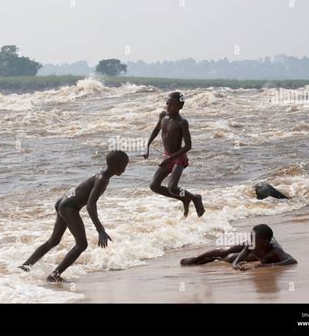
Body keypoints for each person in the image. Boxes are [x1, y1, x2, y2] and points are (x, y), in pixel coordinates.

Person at [19, 150, 129, 282]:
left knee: (53, 241)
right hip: (69, 207)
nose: (125, 169)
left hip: (64, 202)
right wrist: (100, 229)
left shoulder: (101, 176)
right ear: (115, 164)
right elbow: (90, 205)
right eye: (124, 165)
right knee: (82, 245)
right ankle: (54, 275)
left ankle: (26, 266)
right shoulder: (102, 179)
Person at [143, 92, 205, 217]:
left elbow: (188, 146)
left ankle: (195, 198)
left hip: (178, 158)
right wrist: (147, 145)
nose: (167, 106)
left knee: (173, 187)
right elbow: (156, 129)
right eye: (167, 103)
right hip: (167, 157)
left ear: (180, 106)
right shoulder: (163, 116)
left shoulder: (182, 122)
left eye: (171, 104)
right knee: (154, 186)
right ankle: (184, 198)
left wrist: (170, 158)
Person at [180, 224, 297, 269]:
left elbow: (292, 260)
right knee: (226, 250)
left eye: (253, 238)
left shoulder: (275, 251)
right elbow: (241, 255)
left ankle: (213, 259)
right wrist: (236, 264)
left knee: (228, 259)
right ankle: (196, 258)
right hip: (260, 250)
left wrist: (267, 266)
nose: (249, 240)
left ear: (265, 242)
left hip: (263, 254)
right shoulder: (252, 242)